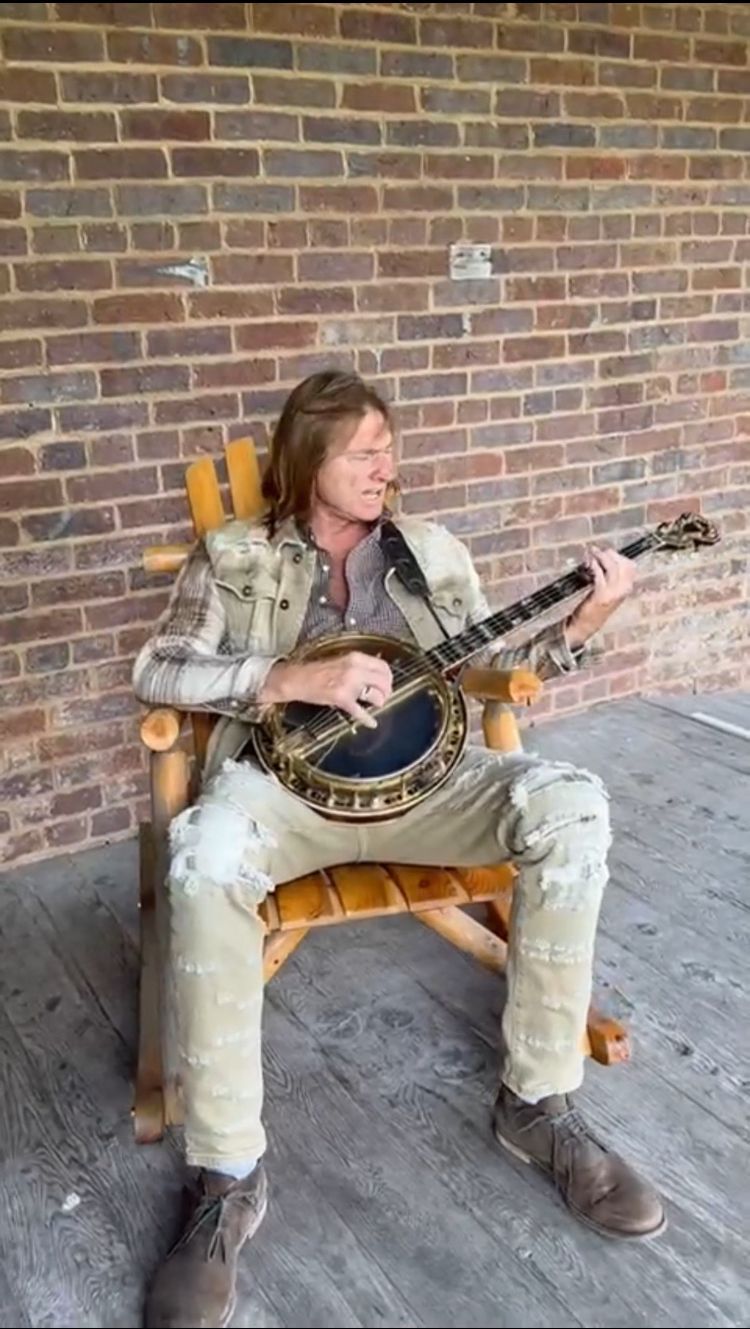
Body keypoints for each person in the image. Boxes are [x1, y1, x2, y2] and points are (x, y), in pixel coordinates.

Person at [133, 370, 665, 1328]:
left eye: (390, 446)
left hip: (431, 786)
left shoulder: (429, 553)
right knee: (203, 856)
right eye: (363, 451)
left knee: (571, 802)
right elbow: (158, 667)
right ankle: (226, 1176)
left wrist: (579, 630)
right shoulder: (235, 554)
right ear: (307, 463)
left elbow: (495, 673)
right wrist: (296, 672)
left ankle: (538, 1104)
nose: (388, 465)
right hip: (281, 792)